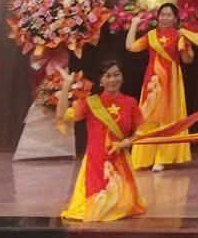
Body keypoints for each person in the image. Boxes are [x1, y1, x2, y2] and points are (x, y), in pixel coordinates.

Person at [56, 60, 146, 222]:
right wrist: (66, 86)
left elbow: (141, 132)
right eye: (108, 76)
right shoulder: (91, 103)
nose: (113, 79)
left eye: (116, 75)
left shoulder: (130, 103)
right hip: (95, 160)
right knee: (96, 208)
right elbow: (62, 116)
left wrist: (125, 143)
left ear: (122, 77)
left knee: (122, 207)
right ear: (101, 80)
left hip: (119, 161)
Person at [126, 3, 194, 171]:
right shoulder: (151, 35)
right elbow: (130, 47)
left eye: (169, 15)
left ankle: (162, 158)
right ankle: (144, 158)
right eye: (162, 14)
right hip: (152, 81)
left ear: (175, 18)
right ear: (158, 17)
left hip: (172, 81)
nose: (165, 18)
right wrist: (134, 24)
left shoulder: (179, 35)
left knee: (168, 118)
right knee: (148, 117)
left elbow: (187, 60)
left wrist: (186, 45)